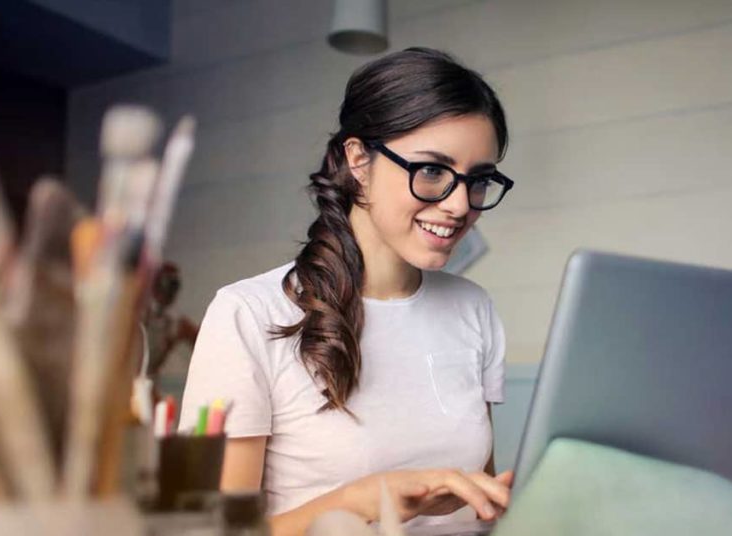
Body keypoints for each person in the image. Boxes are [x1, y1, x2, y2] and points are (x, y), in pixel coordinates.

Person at [179, 47, 515, 536]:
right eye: (432, 171)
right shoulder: (248, 313)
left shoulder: (473, 308)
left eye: (479, 179)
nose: (460, 204)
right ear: (359, 160)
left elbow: (481, 503)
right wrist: (361, 502)